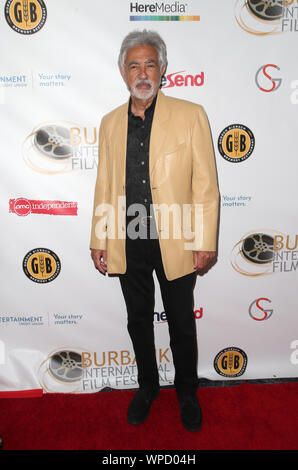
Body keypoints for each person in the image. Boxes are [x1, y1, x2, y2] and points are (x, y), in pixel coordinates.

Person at [90, 30, 219, 432]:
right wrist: (99, 238)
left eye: (150, 64)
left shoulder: (191, 114)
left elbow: (205, 185)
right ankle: (147, 387)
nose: (142, 72)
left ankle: (186, 391)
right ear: (122, 71)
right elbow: (104, 183)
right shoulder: (110, 123)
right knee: (137, 320)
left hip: (177, 237)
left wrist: (204, 240)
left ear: (163, 69)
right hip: (128, 239)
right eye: (134, 65)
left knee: (181, 321)